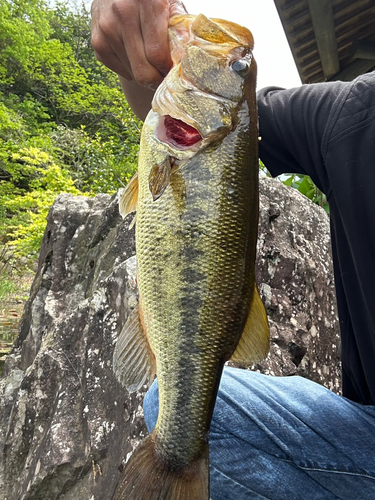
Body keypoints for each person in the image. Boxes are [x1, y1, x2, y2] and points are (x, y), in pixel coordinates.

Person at [91, 1, 375, 498]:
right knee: (176, 408)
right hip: (365, 434)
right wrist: (142, 43)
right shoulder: (349, 116)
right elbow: (221, 127)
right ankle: (177, 464)